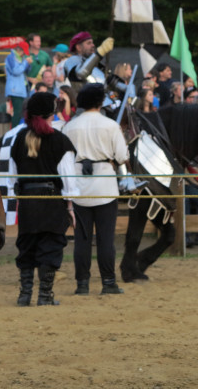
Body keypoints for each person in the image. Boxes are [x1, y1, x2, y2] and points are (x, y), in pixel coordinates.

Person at [10, 92, 79, 306]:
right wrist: (70, 208)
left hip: (28, 202)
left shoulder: (19, 138)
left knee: (27, 246)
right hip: (51, 202)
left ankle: (24, 296)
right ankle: (44, 295)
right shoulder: (60, 141)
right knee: (50, 246)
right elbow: (68, 181)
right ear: (53, 112)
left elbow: (13, 175)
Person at [62, 83, 128, 295]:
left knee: (82, 240)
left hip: (79, 185)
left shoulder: (69, 127)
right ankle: (108, 282)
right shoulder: (110, 125)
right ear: (100, 102)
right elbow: (122, 156)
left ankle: (82, 283)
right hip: (105, 186)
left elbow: (64, 159)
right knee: (105, 239)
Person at [5, 41, 31, 127]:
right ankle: (14, 130)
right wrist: (26, 63)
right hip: (15, 90)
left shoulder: (21, 58)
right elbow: (16, 71)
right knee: (17, 111)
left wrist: (28, 64)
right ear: (20, 50)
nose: (24, 54)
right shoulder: (11, 57)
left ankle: (18, 129)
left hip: (21, 89)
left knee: (20, 111)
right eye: (24, 52)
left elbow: (26, 71)